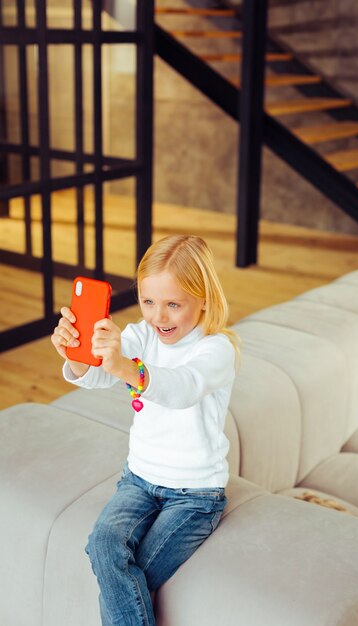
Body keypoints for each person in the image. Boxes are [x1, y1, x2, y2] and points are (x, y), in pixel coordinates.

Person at [51, 234, 239, 626]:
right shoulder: (140, 335)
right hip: (137, 480)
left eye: (174, 304)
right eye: (148, 301)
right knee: (104, 546)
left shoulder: (216, 349)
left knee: (131, 578)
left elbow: (180, 388)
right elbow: (100, 377)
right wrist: (80, 357)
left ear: (203, 298)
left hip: (195, 495)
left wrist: (123, 366)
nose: (159, 317)